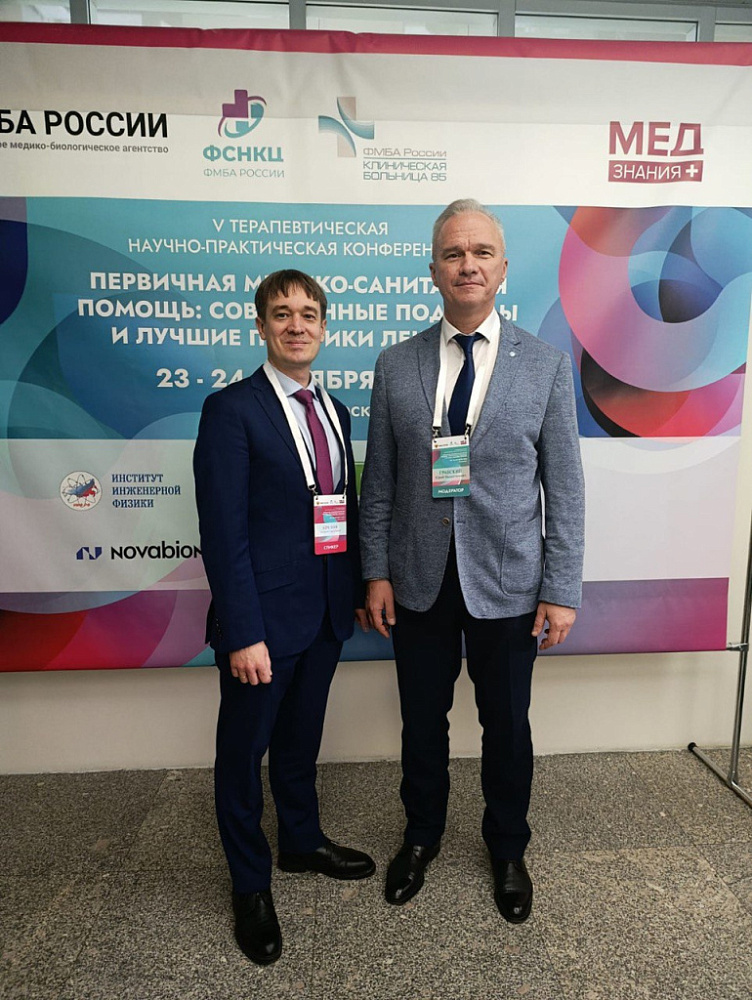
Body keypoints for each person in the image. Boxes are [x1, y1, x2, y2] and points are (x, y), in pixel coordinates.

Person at [359, 199, 585, 923]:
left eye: (481, 252)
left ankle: (508, 848)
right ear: (433, 270)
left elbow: (565, 488)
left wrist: (561, 588)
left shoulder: (546, 366)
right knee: (421, 723)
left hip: (511, 583)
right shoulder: (395, 365)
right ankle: (421, 836)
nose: (468, 265)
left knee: (507, 726)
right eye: (453, 253)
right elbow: (379, 482)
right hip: (418, 579)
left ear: (503, 268)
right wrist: (375, 571)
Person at [194, 269, 374, 966]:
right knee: (242, 758)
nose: (296, 325)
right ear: (261, 326)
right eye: (281, 313)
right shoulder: (231, 410)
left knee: (300, 743)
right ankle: (249, 885)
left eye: (308, 313)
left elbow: (339, 511)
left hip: (323, 615)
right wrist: (243, 632)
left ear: (324, 326)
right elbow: (223, 533)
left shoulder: (335, 410)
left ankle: (301, 842)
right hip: (262, 626)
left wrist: (353, 590)